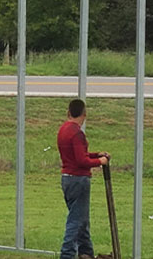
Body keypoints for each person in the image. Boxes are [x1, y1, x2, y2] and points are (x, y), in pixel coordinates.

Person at [56, 98, 109, 259]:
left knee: (81, 219)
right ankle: (67, 254)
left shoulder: (63, 130)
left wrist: (95, 154)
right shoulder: (77, 133)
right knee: (76, 220)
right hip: (79, 179)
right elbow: (81, 161)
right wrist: (100, 161)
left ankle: (86, 253)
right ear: (84, 115)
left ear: (68, 113)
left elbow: (75, 155)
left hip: (66, 177)